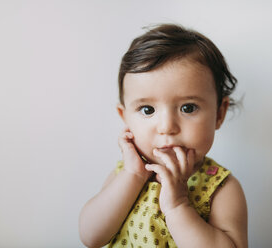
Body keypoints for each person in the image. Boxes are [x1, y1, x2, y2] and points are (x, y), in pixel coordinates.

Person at [79, 24, 248, 248]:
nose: (167, 127)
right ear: (125, 117)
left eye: (188, 108)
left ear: (219, 113)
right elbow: (91, 237)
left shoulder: (220, 188)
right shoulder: (124, 175)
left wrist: (178, 205)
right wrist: (133, 176)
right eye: (148, 110)